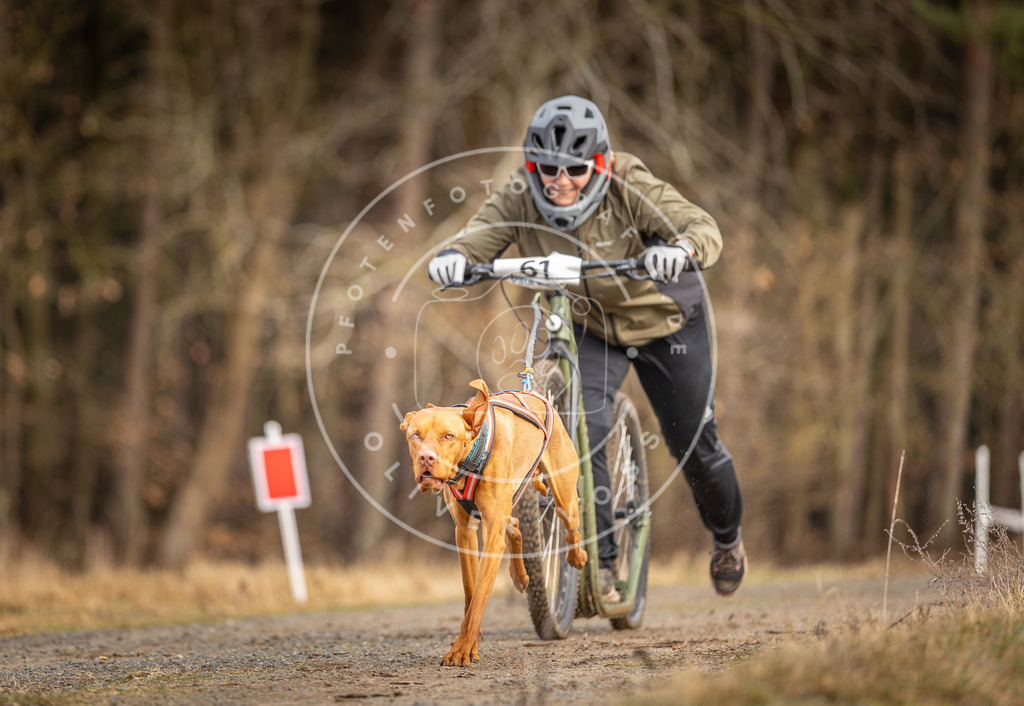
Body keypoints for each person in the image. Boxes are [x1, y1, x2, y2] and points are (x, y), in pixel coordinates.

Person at [427, 95, 745, 598]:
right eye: (548, 168)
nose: (561, 180)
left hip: (666, 322)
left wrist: (681, 249)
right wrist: (454, 257)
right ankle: (602, 568)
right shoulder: (519, 194)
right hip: (591, 326)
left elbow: (700, 227)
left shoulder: (629, 182)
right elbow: (476, 238)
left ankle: (727, 537)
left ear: (599, 163)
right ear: (532, 165)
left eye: (575, 168)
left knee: (692, 441)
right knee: (581, 425)